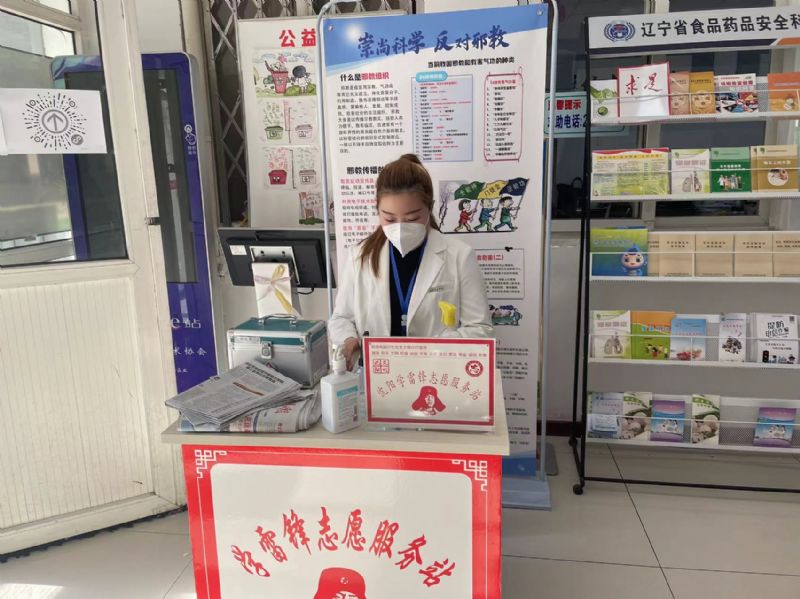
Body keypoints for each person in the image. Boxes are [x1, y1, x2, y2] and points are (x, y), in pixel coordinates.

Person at [329, 154, 493, 368]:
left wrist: (430, 349)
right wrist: (349, 339)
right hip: (378, 374)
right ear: (377, 210)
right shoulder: (359, 256)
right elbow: (341, 318)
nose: (400, 227)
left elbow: (480, 329)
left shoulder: (459, 256)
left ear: (430, 208)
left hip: (434, 374)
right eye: (389, 218)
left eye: (412, 218)